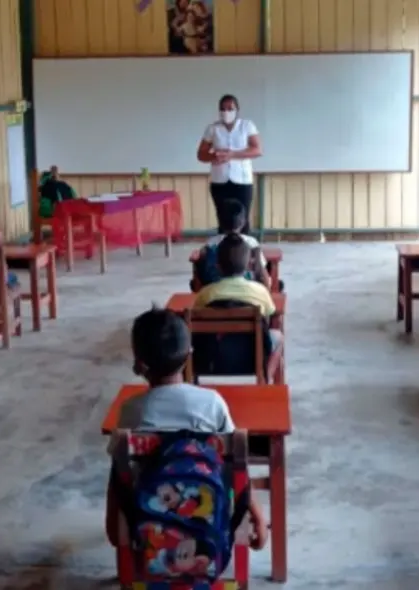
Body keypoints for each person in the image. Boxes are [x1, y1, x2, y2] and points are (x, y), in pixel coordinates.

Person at [105, 308, 268, 551]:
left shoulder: (132, 410)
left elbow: (119, 473)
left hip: (149, 521)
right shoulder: (212, 402)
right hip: (212, 521)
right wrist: (257, 516)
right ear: (189, 354)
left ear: (139, 365)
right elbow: (238, 465)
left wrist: (115, 527)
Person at [194, 233, 282, 355]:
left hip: (215, 359)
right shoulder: (260, 291)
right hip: (252, 356)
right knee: (278, 337)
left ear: (217, 267)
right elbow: (271, 316)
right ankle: (267, 374)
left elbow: (196, 317)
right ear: (248, 266)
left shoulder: (206, 293)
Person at [197, 95, 262, 235]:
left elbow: (257, 150)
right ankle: (225, 254)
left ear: (237, 110)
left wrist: (232, 154)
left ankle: (245, 254)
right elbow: (201, 154)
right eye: (223, 109)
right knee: (223, 221)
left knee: (242, 220)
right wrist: (213, 156)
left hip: (243, 181)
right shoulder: (213, 129)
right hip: (219, 181)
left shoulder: (247, 125)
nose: (226, 112)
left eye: (230, 109)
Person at [198, 199, 273, 291]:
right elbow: (263, 275)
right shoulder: (252, 243)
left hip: (215, 294)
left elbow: (203, 272)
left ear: (220, 222)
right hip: (249, 294)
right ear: (244, 222)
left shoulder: (210, 244)